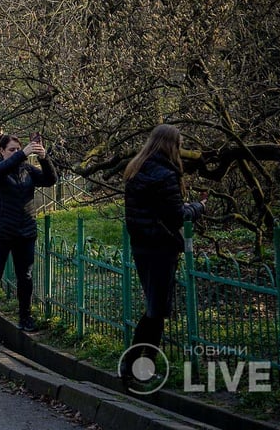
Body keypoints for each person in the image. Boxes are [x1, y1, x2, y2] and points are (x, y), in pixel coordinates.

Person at [121, 124, 207, 386]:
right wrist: (198, 207)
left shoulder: (137, 169)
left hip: (142, 246)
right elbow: (176, 215)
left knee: (155, 307)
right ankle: (136, 367)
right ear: (173, 146)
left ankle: (139, 365)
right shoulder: (166, 175)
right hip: (161, 248)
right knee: (156, 310)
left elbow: (151, 210)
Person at [0, 134, 56, 334]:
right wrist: (22, 153)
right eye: (12, 150)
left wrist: (44, 158)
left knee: (25, 277)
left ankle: (25, 317)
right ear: (2, 151)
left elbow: (50, 180)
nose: (17, 153)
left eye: (18, 149)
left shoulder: (28, 170)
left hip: (25, 231)